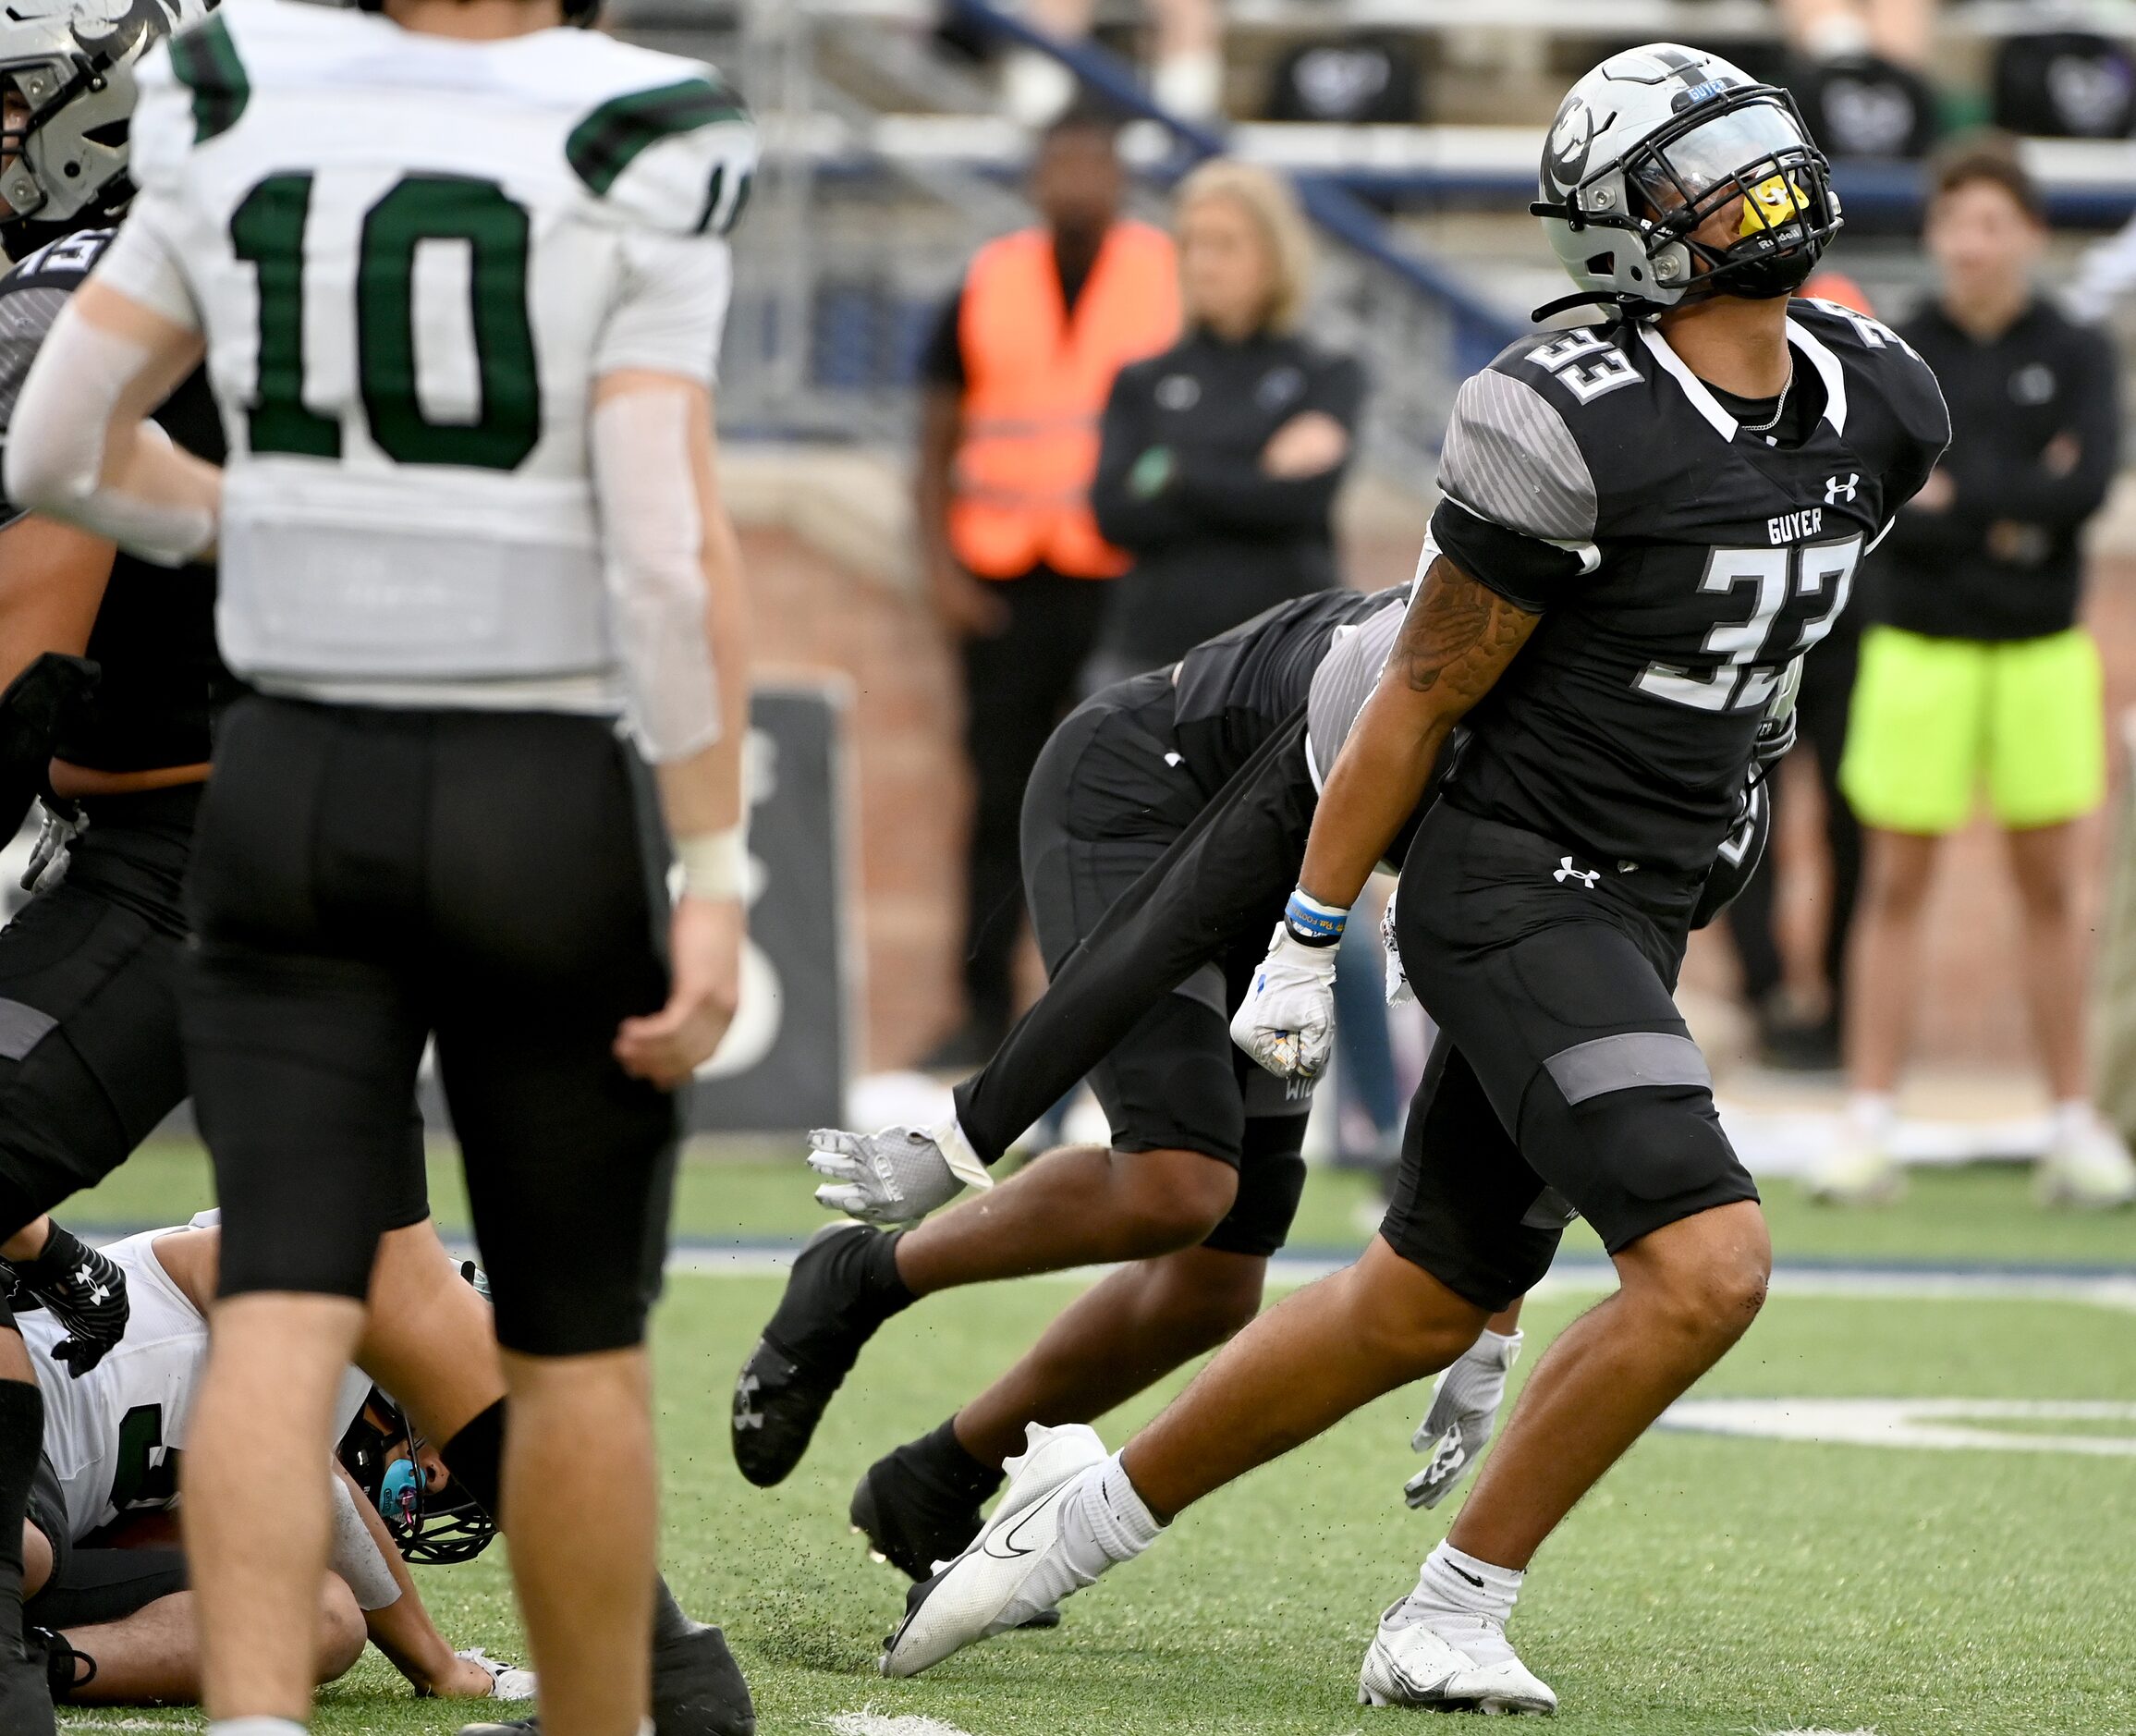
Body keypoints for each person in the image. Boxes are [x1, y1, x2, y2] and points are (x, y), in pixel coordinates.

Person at [869, 43, 1948, 1709]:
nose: (1748, 194)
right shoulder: (1561, 412)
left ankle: (1070, 1517)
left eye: (1752, 152)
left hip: (1652, 878)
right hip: (1518, 871)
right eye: (1696, 173)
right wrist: (1308, 931)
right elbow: (1426, 689)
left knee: (1423, 1299)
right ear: (1623, 233)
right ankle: (1447, 1607)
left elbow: (1748, 669)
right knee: (1708, 1260)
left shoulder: (1887, 394)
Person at [0, 9, 756, 1732]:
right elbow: (667, 531)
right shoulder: (653, 129)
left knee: (279, 1301)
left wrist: (252, 529)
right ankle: (654, 1686)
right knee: (501, 1308)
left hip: (260, 789)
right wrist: (713, 863)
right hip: (539, 767)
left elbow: (51, 478)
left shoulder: (232, 126)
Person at [735, 570, 1782, 1581]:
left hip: (1301, 859)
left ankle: (941, 1474)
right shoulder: (1434, 701)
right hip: (1156, 798)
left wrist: (1496, 1309)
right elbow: (1174, 916)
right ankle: (866, 1274)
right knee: (1178, 1183)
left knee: (1211, 1288)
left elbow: (1519, 1048)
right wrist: (972, 1129)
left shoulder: (1660, 793)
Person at [1815, 137, 2136, 1208]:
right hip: (1918, 648)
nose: (1971, 244)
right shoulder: (1897, 350)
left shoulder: (2078, 350)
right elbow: (1890, 496)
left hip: (2041, 652)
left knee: (2051, 891)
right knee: (1892, 885)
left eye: (1993, 221)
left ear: (2030, 235)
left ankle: (2068, 1123)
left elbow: (2084, 486)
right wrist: (2009, 507)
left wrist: (1973, 502)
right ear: (1935, 233)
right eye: (1955, 221)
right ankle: (1869, 1124)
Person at [14, 1216, 531, 1709]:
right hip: (16, 1420)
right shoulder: (256, 1264)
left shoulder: (274, 1446)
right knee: (26, 1551)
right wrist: (439, 1666)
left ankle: (28, 1664)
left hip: (46, 1534)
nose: (436, 1476)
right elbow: (312, 1469)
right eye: (446, 1441)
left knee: (327, 1617)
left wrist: (439, 1667)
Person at [914, 106, 1179, 1068]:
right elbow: (936, 432)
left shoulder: (1165, 277)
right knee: (996, 802)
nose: (1074, 180)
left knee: (1135, 797)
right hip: (1003, 580)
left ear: (1118, 176)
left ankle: (1121, 1009)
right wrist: (938, 568)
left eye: (1092, 162)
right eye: (1058, 163)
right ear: (1032, 178)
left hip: (1121, 577)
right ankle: (981, 1016)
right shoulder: (987, 282)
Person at [1086, 158, 1363, 682]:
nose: (1202, 264)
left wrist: (1173, 474)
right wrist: (1253, 471)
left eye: (1225, 244)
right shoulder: (1142, 380)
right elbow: (1113, 513)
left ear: (1275, 256)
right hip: (1153, 658)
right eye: (1190, 243)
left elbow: (1299, 502)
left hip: (1288, 657)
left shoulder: (1326, 373)